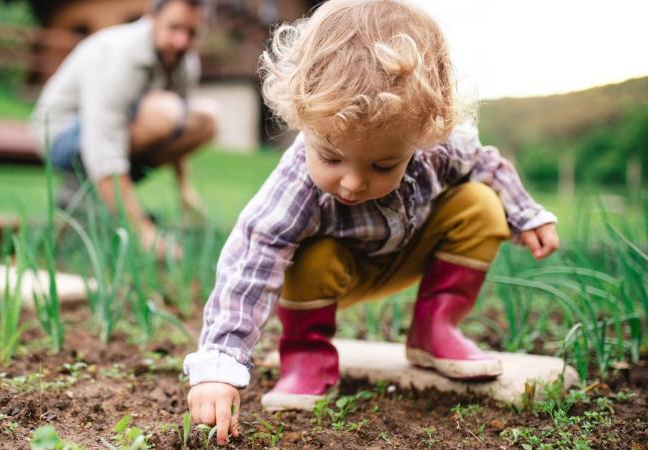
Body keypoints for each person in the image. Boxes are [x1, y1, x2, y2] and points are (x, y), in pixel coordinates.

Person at [183, 0, 560, 445]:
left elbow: (487, 165)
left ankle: (434, 329)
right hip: (331, 276)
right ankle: (306, 354)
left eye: (384, 164)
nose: (353, 182)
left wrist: (525, 214)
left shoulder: (436, 146)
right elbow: (251, 259)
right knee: (305, 253)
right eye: (330, 156)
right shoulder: (295, 184)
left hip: (407, 252)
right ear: (303, 119)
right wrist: (220, 365)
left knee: (480, 202)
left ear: (422, 134)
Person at [29, 0, 217, 258]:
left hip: (114, 132)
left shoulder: (185, 62)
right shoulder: (121, 53)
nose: (181, 41)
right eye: (174, 28)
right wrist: (142, 231)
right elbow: (103, 143)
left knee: (205, 121)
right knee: (165, 111)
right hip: (62, 135)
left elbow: (180, 128)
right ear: (151, 18)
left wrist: (185, 190)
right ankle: (88, 198)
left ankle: (101, 200)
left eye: (192, 33)